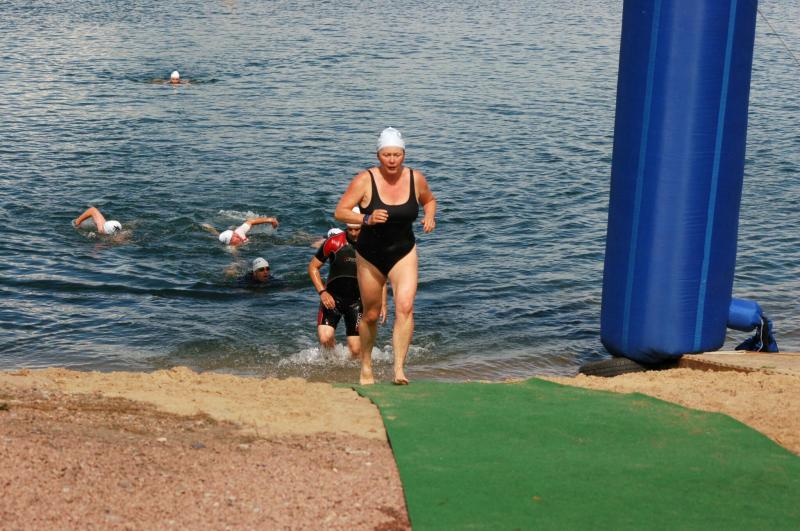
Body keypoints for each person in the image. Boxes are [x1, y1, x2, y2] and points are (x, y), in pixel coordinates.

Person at [335, 127, 437, 385]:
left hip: (404, 252)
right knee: (370, 314)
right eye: (386, 155)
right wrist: (366, 218)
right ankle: (366, 367)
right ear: (378, 155)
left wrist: (429, 216)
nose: (392, 160)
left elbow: (429, 200)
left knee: (405, 306)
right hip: (370, 255)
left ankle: (399, 369)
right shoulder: (365, 180)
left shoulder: (416, 178)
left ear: (404, 154)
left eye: (397, 155)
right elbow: (341, 211)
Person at [308, 212, 386, 358]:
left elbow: (380, 276)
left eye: (357, 229)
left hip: (357, 302)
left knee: (355, 350)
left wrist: (382, 303)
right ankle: (334, 362)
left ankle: (351, 368)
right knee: (325, 338)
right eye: (350, 229)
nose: (353, 233)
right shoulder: (333, 243)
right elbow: (313, 267)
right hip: (332, 299)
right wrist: (322, 292)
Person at [201, 216, 279, 247]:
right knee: (218, 236)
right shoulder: (232, 248)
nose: (237, 236)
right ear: (231, 242)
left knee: (219, 235)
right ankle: (213, 230)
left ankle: (211, 229)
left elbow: (251, 221)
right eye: (234, 237)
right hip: (228, 241)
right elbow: (237, 259)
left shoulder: (238, 232)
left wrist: (270, 220)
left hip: (230, 235)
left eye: (235, 234)